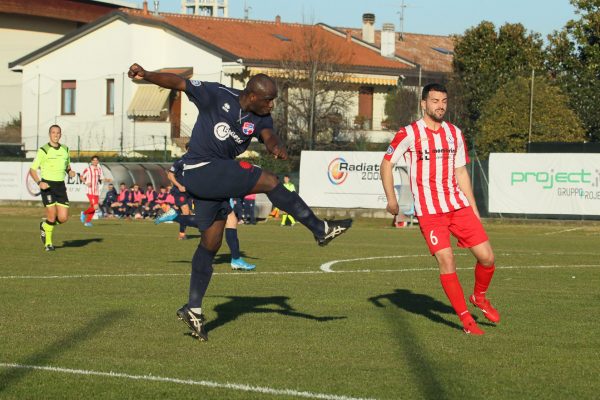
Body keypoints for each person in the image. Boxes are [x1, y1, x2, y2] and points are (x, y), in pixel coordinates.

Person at [128, 63, 352, 341]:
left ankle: (193, 308)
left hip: (217, 177)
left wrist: (274, 146)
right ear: (253, 96)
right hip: (198, 168)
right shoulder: (217, 94)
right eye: (269, 100)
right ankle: (319, 229)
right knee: (269, 181)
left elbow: (268, 135)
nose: (272, 105)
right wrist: (147, 75)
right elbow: (179, 83)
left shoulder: (261, 117)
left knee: (210, 243)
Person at [380, 83, 499, 336]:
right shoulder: (409, 133)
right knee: (447, 260)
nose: (440, 106)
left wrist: (473, 207)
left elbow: (460, 171)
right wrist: (392, 200)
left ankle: (479, 296)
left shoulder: (454, 133)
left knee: (487, 258)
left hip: (458, 206)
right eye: (434, 101)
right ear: (423, 103)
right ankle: (466, 320)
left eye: (444, 101)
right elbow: (387, 163)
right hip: (430, 212)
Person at [29, 124, 76, 251]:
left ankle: (45, 226)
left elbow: (67, 165)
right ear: (50, 134)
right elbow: (32, 170)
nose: (56, 135)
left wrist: (70, 171)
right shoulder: (43, 150)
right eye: (53, 132)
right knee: (51, 216)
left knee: (63, 218)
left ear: (61, 134)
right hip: (47, 186)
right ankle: (48, 244)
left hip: (60, 186)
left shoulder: (65, 149)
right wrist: (39, 183)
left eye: (58, 133)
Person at [168, 144, 192, 239]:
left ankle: (171, 211)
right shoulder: (180, 161)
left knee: (188, 213)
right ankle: (182, 234)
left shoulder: (197, 161)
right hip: (179, 191)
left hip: (190, 191)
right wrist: (179, 186)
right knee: (185, 211)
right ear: (188, 149)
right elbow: (170, 175)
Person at [80, 155, 112, 226]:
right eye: (94, 160)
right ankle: (84, 213)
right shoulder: (88, 169)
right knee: (95, 207)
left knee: (94, 208)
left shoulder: (99, 169)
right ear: (91, 161)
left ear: (98, 161)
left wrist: (107, 180)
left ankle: (87, 222)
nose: (95, 161)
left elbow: (101, 178)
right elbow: (81, 176)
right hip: (90, 191)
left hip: (96, 191)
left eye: (96, 160)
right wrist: (86, 183)